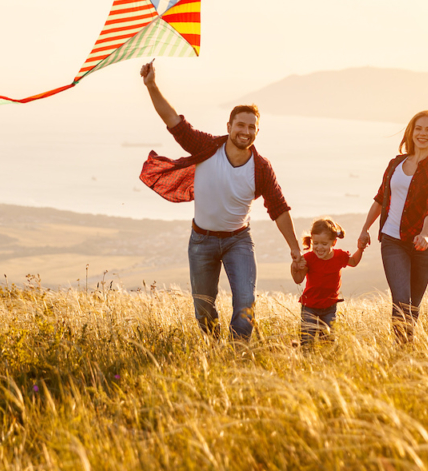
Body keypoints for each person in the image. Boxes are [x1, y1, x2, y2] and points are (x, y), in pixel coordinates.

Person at [138, 61, 302, 340]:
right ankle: (213, 347)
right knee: (203, 305)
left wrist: (296, 251)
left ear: (257, 132)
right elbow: (173, 121)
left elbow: (279, 208)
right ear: (229, 126)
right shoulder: (206, 147)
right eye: (240, 125)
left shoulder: (261, 167)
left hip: (238, 240)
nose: (246, 131)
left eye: (252, 127)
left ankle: (239, 349)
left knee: (245, 301)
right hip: (201, 240)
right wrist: (152, 85)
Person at [357, 111, 428, 343]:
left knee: (413, 307)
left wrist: (425, 234)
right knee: (401, 300)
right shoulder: (395, 164)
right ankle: (403, 351)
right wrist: (365, 228)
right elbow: (380, 199)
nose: (422, 133)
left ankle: (404, 352)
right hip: (392, 241)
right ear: (411, 131)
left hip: (423, 246)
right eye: (418, 128)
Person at [290, 217, 364, 345]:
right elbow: (298, 279)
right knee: (307, 340)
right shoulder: (308, 258)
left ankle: (325, 362)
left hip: (329, 307)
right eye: (316, 243)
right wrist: (294, 267)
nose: (319, 248)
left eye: (324, 244)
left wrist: (360, 249)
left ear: (333, 243)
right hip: (309, 306)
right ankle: (305, 361)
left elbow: (353, 262)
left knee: (328, 341)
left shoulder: (339, 256)